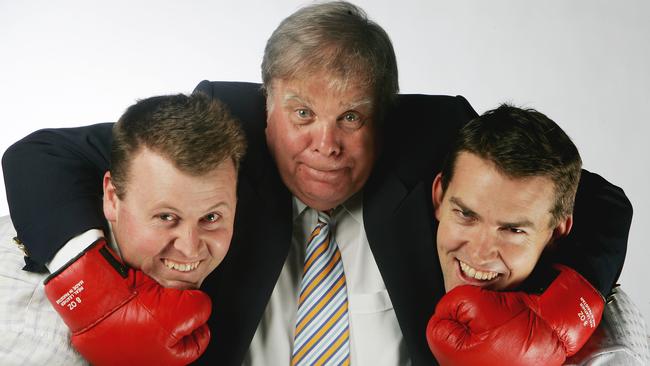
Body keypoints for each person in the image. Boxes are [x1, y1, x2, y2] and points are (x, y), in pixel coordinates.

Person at [1, 2, 632, 365]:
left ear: (387, 114)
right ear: (265, 102)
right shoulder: (221, 125)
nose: (325, 144)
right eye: (301, 113)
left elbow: (597, 198)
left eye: (351, 117)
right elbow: (39, 154)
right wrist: (89, 281)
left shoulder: (436, 135)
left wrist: (562, 313)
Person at [0, 93, 246, 365]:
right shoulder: (35, 333)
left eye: (211, 218)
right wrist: (90, 291)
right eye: (165, 217)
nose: (190, 248)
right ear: (112, 198)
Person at [425, 104, 602, 365]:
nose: (479, 252)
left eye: (513, 230)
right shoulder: (387, 243)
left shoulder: (610, 355)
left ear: (556, 232)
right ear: (439, 197)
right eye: (465, 214)